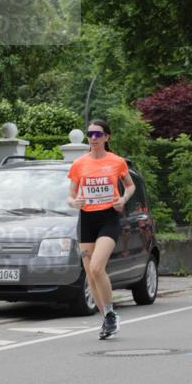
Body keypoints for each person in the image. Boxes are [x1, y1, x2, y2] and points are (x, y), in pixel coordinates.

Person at [67, 119, 136, 339]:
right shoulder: (79, 164)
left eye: (98, 135)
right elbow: (70, 195)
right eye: (90, 134)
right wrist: (74, 202)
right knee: (90, 274)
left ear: (107, 137)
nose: (93, 139)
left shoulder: (116, 162)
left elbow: (130, 185)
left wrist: (123, 199)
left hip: (109, 217)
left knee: (97, 267)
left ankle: (110, 315)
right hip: (87, 219)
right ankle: (108, 316)